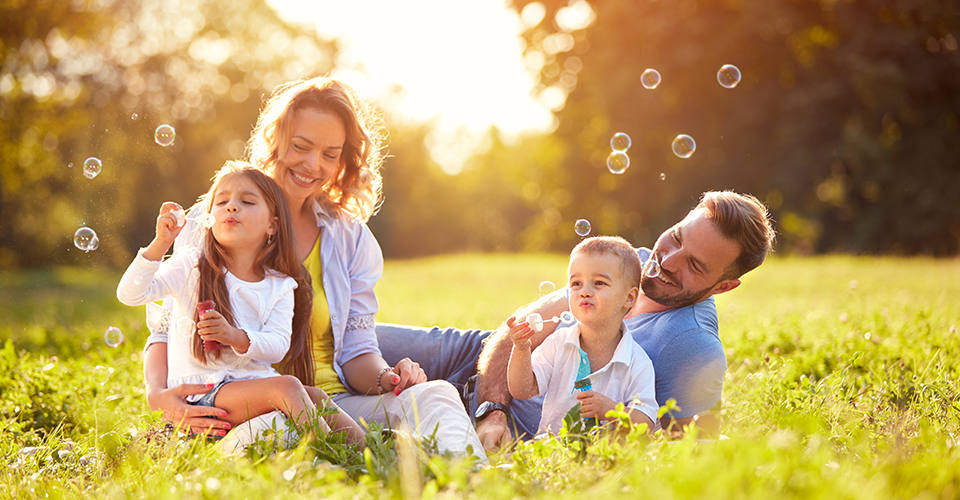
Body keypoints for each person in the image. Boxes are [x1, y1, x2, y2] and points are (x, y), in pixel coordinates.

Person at [142, 77, 485, 461]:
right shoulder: (214, 220)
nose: (313, 165)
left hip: (335, 407)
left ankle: (470, 480)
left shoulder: (349, 237)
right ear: (275, 141)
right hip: (246, 406)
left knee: (436, 394)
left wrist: (386, 377)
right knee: (274, 434)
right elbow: (163, 330)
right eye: (301, 147)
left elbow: (357, 352)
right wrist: (159, 396)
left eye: (329, 154)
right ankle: (361, 461)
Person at [376, 190, 775, 449]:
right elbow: (519, 327)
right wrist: (491, 411)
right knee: (348, 340)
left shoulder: (693, 346)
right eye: (676, 238)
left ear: (724, 286)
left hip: (511, 424)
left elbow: (689, 453)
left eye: (695, 265)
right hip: (478, 359)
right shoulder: (632, 262)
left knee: (368, 403)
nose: (666, 261)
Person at [119, 162, 360, 437]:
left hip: (251, 387)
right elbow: (131, 293)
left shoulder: (280, 285)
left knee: (316, 396)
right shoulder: (189, 266)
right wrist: (161, 244)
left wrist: (235, 337)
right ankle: (327, 450)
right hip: (203, 394)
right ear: (209, 219)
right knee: (288, 387)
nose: (232, 207)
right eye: (222, 202)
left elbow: (278, 345)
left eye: (247, 201)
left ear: (272, 225)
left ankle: (368, 448)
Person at [507, 236, 657, 434]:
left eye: (599, 283)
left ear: (629, 298)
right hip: (552, 449)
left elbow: (646, 423)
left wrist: (611, 410)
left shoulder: (636, 362)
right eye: (576, 283)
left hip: (605, 452)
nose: (584, 291)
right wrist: (521, 349)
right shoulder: (558, 343)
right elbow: (521, 390)